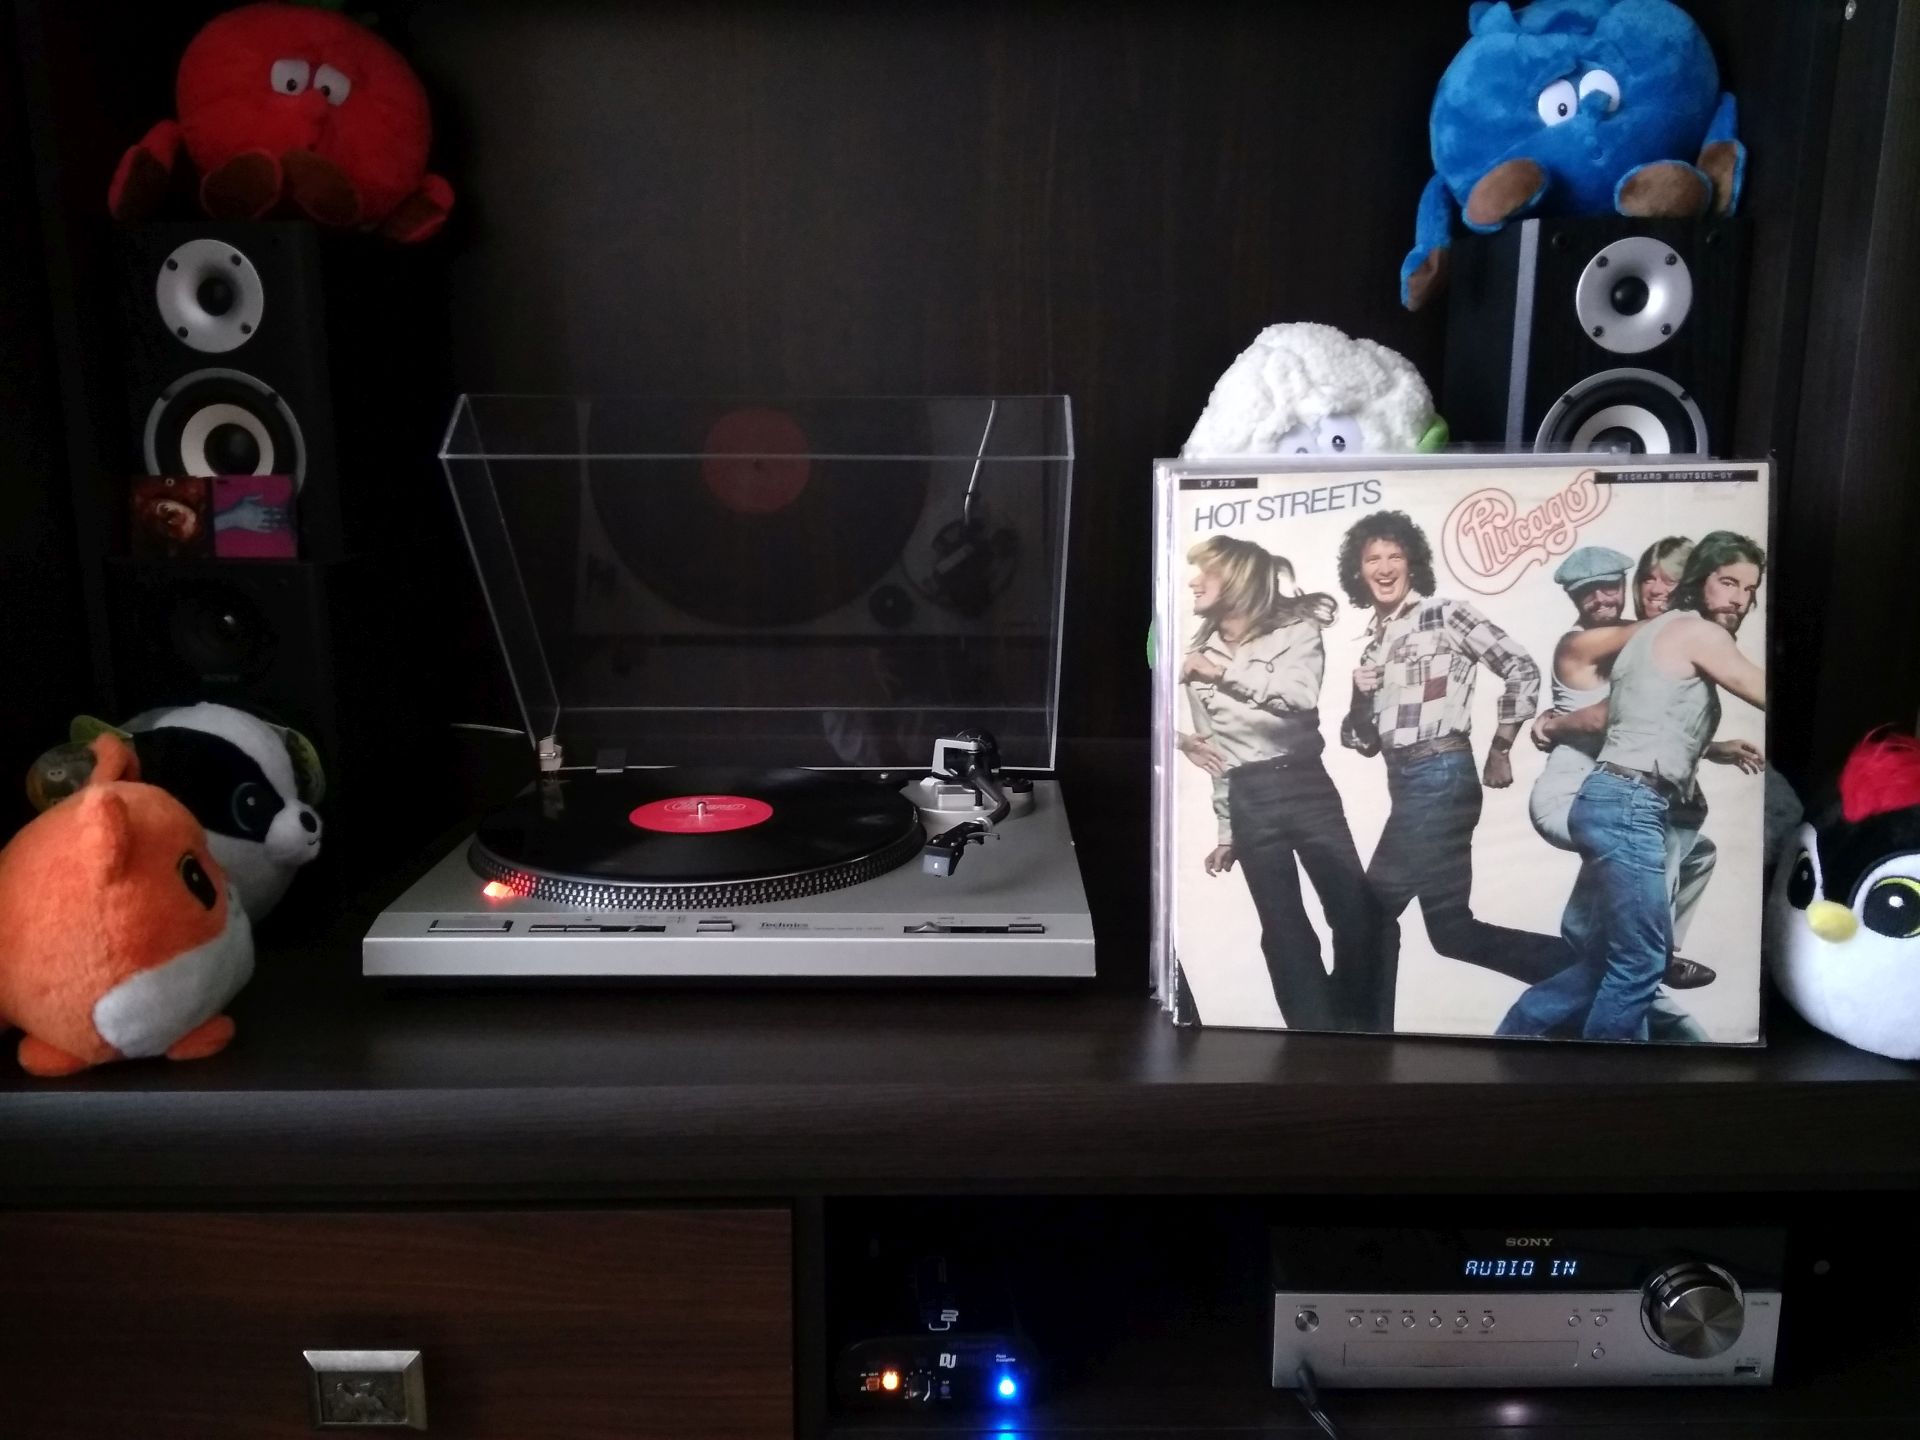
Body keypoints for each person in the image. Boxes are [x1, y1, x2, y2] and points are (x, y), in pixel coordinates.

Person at [1501, 532, 1768, 1041]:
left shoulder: (1652, 634)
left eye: (1750, 589)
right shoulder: (1698, 633)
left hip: (1610, 799)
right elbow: (1763, 690)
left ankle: (1518, 1029)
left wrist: (1712, 747)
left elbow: (1625, 717)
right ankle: (1607, 1077)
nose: (1740, 598)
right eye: (1728, 582)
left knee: (1615, 955)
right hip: (1626, 804)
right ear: (1701, 581)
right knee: (1638, 962)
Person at [1337, 511, 1567, 1031]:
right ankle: (1597, 966)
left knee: (1368, 912)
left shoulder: (1445, 615)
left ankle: (1360, 1036)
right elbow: (1364, 743)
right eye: (1372, 559)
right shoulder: (1372, 645)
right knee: (1453, 934)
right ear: (1358, 571)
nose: (1384, 567)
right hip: (1410, 784)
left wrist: (1501, 745)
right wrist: (1358, 694)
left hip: (1440, 775)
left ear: (1412, 563)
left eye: (1395, 555)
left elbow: (1521, 667)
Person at [1175, 536, 1379, 1031]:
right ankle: (1316, 1039)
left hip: (1306, 785)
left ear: (1238, 578)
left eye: (1206, 572)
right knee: (1284, 929)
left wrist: (1222, 673)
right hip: (1248, 796)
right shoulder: (1196, 656)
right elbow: (1214, 750)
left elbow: (1299, 696)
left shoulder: (1297, 632)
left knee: (1356, 915)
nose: (1194, 582)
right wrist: (1227, 830)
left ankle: (1357, 1031)